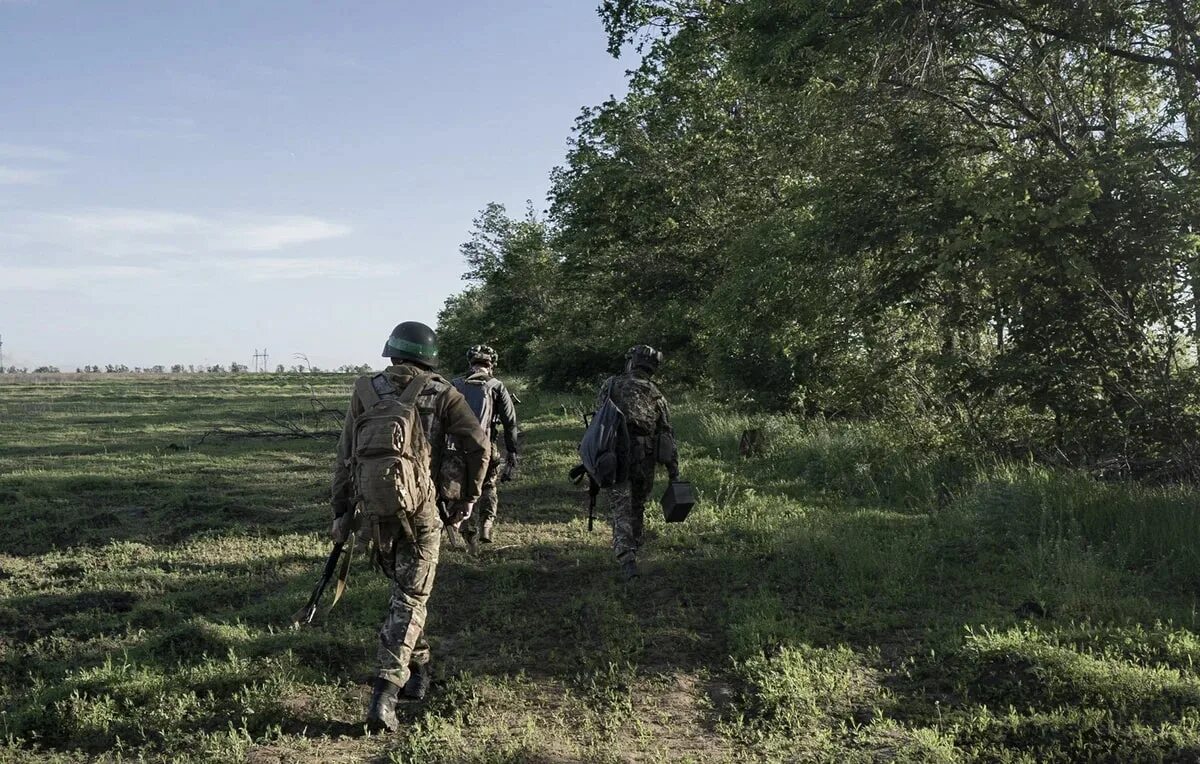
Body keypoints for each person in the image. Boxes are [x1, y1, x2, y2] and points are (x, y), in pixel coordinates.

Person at [329, 321, 489, 732]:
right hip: (421, 514)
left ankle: (420, 671)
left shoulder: (365, 390)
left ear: (392, 351)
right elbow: (479, 446)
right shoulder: (442, 392)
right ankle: (385, 692)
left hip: (374, 513)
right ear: (428, 355)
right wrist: (468, 497)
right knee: (411, 598)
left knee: (407, 595)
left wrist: (342, 511)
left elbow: (345, 455)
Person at [595, 344, 679, 581]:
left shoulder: (612, 385)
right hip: (644, 456)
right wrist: (674, 472)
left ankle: (627, 557)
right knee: (637, 504)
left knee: (621, 504)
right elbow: (667, 434)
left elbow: (598, 419)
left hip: (615, 454)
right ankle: (634, 549)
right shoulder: (656, 394)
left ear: (632, 362)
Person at [452, 344, 520, 549]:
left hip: (457, 447)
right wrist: (512, 451)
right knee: (488, 484)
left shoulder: (455, 384)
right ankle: (486, 526)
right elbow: (510, 422)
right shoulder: (496, 385)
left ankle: (467, 533)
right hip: (486, 446)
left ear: (470, 362)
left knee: (462, 489)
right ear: (491, 365)